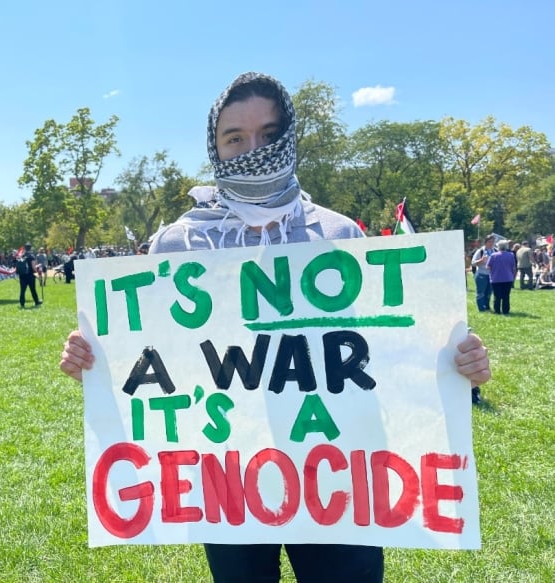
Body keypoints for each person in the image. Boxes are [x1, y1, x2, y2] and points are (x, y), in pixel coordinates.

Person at [59, 72, 492, 583]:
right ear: (215, 147)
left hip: (338, 476)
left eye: (269, 135)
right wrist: (96, 362)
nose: (253, 150)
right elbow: (160, 359)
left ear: (289, 138)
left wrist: (452, 363)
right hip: (227, 480)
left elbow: (386, 353)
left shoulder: (339, 235)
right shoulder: (175, 247)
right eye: (235, 139)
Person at [487, 239, 516, 316]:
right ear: (506, 246)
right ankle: (505, 310)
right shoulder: (511, 255)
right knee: (506, 296)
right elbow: (513, 267)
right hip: (508, 278)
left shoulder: (493, 255)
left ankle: (497, 310)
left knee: (497, 296)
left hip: (496, 278)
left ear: (498, 246)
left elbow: (488, 267)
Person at [471, 235, 495, 311]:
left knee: (489, 293)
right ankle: (481, 308)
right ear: (485, 242)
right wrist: (481, 260)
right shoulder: (480, 251)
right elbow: (473, 263)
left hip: (491, 275)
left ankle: (487, 307)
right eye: (489, 242)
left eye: (492, 242)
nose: (491, 243)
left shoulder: (495, 251)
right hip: (481, 274)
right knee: (481, 293)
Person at [18, 243, 42, 308]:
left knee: (22, 290)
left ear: (25, 248)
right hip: (30, 275)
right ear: (30, 248)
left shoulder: (22, 256)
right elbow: (33, 267)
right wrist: (37, 268)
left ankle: (22, 303)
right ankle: (36, 301)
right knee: (33, 289)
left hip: (22, 275)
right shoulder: (31, 256)